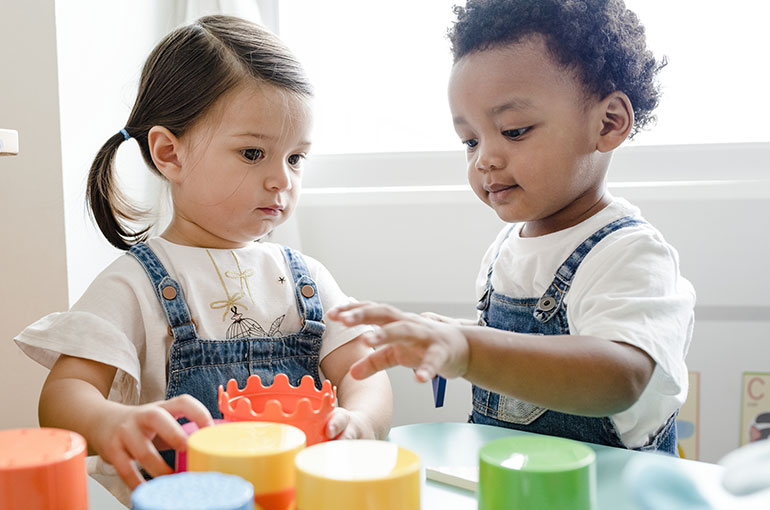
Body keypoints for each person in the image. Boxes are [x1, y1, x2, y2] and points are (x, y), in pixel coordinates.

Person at [14, 15, 392, 505]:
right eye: (254, 153)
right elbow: (64, 396)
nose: (283, 179)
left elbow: (365, 371)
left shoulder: (306, 279)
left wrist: (362, 421)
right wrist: (111, 421)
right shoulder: (136, 284)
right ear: (170, 154)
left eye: (296, 158)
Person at [330, 0, 694, 455]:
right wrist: (448, 336)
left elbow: (620, 376)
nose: (485, 157)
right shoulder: (507, 247)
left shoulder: (631, 253)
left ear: (608, 122)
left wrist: (469, 348)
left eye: (515, 130)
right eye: (470, 140)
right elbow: (527, 346)